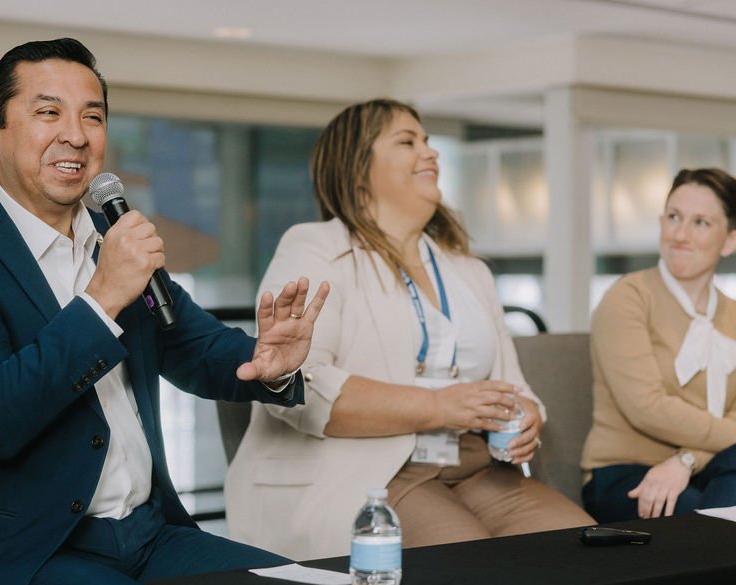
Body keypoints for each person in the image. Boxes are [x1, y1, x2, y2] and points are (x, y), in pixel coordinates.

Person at [0, 38, 328, 585]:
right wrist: (102, 298)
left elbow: (192, 345)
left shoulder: (113, 240)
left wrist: (269, 359)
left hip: (144, 535)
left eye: (92, 116)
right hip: (17, 551)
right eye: (48, 112)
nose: (76, 135)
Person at [225, 98, 593, 561]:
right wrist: (438, 407)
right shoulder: (313, 248)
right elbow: (299, 388)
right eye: (407, 141)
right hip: (374, 469)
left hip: (474, 464)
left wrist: (527, 416)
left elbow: (513, 382)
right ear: (359, 169)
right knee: (471, 571)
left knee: (589, 557)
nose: (430, 153)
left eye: (428, 142)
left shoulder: (468, 270)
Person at [581, 168, 736, 523]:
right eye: (674, 217)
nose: (680, 235)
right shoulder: (627, 298)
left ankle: (721, 564)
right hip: (627, 473)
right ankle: (730, 563)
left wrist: (686, 461)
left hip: (704, 467)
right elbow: (647, 407)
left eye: (701, 222)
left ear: (731, 240)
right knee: (720, 509)